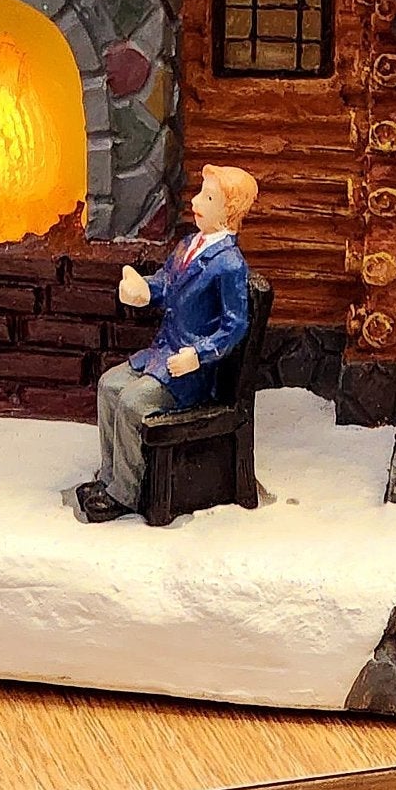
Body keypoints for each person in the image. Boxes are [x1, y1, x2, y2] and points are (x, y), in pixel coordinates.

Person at [74, 165, 258, 523]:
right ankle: (110, 477)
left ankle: (125, 494)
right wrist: (144, 290)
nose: (197, 202)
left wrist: (198, 355)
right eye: (200, 193)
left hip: (191, 373)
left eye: (208, 198)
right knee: (109, 385)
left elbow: (235, 325)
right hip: (162, 353)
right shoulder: (188, 245)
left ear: (229, 211)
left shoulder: (230, 265)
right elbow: (165, 282)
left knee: (132, 403)